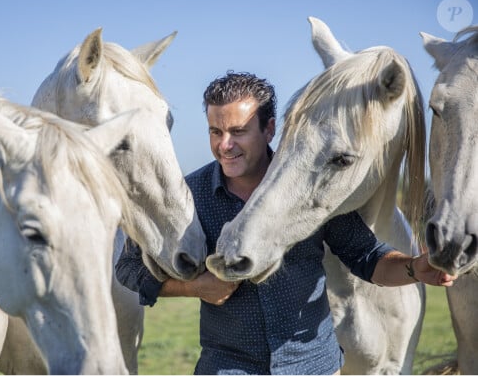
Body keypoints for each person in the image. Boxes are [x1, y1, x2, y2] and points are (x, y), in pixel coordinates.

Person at [115, 71, 456, 375]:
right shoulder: (190, 196)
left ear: (269, 129)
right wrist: (193, 287)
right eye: (215, 131)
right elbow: (128, 267)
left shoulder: (309, 184)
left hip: (315, 368)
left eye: (238, 131)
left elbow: (367, 256)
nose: (224, 145)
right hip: (227, 369)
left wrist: (414, 267)